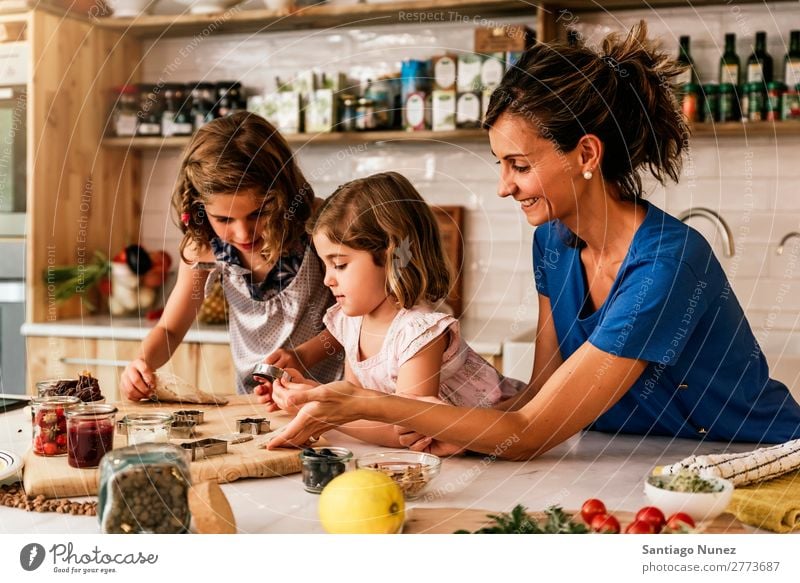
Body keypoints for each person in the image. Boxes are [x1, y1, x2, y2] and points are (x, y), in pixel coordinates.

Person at [267, 22, 800, 457]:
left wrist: (361, 404)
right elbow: (541, 395)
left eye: (519, 165)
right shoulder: (552, 241)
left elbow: (529, 432)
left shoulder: (669, 262)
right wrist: (461, 426)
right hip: (623, 456)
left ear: (587, 155)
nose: (504, 187)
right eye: (501, 165)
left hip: (748, 459)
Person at [263, 172, 524, 447]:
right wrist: (313, 398)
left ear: (392, 256)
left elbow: (409, 434)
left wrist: (324, 413)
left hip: (506, 438)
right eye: (325, 265)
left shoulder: (420, 333)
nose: (328, 279)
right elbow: (356, 400)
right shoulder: (351, 323)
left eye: (339, 264)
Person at [120, 112, 342, 399]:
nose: (243, 234)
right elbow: (170, 329)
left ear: (284, 194)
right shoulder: (204, 245)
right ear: (200, 210)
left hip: (329, 398)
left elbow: (356, 320)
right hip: (254, 401)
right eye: (224, 219)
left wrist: (301, 357)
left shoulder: (317, 226)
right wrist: (142, 363)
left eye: (258, 213)